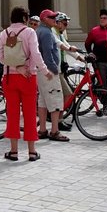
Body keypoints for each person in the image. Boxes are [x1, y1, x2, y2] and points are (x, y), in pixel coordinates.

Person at [0, 6, 47, 162]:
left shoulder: (3, 33)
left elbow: (0, 56)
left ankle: (13, 151)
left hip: (10, 78)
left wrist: (15, 67)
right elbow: (36, 54)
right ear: (25, 18)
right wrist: (44, 70)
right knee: (30, 113)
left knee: (12, 114)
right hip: (28, 76)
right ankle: (32, 152)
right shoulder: (29, 32)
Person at [36, 9, 69, 142]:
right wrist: (54, 70)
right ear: (44, 19)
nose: (54, 19)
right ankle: (54, 131)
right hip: (49, 72)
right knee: (55, 100)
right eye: (51, 17)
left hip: (41, 71)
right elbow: (48, 53)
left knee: (43, 101)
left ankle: (42, 129)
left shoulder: (40, 31)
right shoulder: (46, 33)